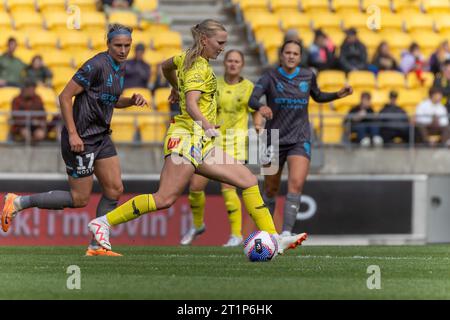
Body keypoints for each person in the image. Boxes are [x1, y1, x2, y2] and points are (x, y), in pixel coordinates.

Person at [85, 19, 308, 254]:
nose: (222, 47)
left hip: (200, 142)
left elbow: (164, 66)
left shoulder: (186, 57)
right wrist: (206, 123)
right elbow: (191, 103)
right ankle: (104, 222)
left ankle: (274, 236)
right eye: (220, 42)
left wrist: (175, 88)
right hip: (186, 138)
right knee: (164, 198)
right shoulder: (198, 68)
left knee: (249, 181)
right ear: (204, 40)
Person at [1, 24, 149, 257]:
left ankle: (97, 245)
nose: (123, 50)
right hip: (81, 138)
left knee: (114, 189)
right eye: (118, 45)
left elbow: (110, 99)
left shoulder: (120, 67)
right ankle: (18, 202)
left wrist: (130, 101)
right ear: (108, 44)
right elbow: (64, 95)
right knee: (80, 199)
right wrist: (72, 133)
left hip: (101, 136)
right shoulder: (95, 65)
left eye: (127, 46)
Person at [249, 40, 353, 237]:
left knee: (296, 184)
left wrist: (337, 95)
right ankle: (267, 233)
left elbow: (318, 96)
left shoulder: (307, 75)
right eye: (287, 52)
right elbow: (252, 99)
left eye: (295, 53)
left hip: (300, 137)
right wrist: (260, 107)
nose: (290, 56)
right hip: (273, 138)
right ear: (281, 55)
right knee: (270, 189)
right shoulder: (269, 76)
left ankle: (286, 233)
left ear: (299, 57)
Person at [180, 49, 263, 247]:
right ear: (225, 63)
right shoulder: (213, 84)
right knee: (195, 187)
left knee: (228, 187)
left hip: (236, 143)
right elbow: (198, 104)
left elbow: (255, 110)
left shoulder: (249, 87)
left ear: (242, 65)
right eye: (230, 61)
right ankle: (198, 225)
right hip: (212, 140)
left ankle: (236, 234)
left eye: (237, 61)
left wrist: (259, 126)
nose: (233, 64)